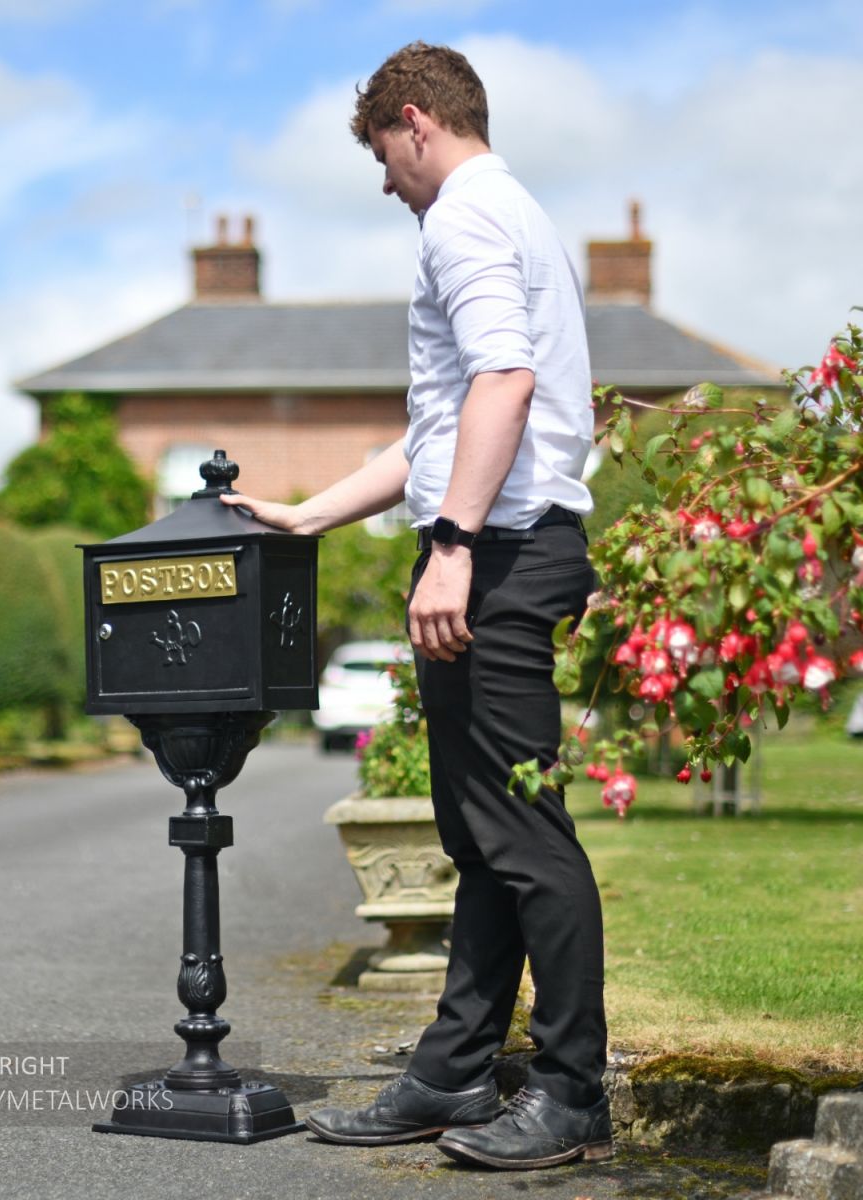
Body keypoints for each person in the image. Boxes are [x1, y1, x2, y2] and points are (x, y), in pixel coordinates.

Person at [220, 41, 611, 1171]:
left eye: (385, 159)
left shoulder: (467, 218)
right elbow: (441, 429)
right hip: (499, 540)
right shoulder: (508, 216)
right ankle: (450, 1076)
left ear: (414, 121)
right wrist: (308, 515)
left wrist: (450, 546)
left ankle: (572, 1092)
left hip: (501, 551)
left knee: (525, 839)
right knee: (482, 837)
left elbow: (503, 383)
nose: (387, 184)